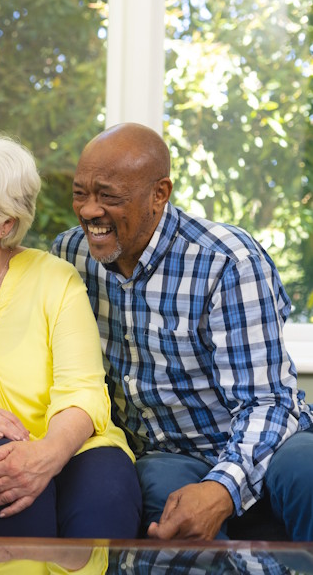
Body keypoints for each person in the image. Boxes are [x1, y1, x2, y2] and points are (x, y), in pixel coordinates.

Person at [52, 122, 313, 541]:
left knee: (307, 468)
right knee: (163, 498)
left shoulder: (227, 262)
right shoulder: (68, 256)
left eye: (108, 196)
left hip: (267, 440)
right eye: (80, 193)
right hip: (167, 455)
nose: (88, 210)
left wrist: (221, 487)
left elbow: (267, 402)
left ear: (160, 194)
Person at [0, 131, 141, 540]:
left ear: (6, 222)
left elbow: (83, 390)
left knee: (107, 492)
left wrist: (46, 455)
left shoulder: (54, 277)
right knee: (1, 468)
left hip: (75, 444)